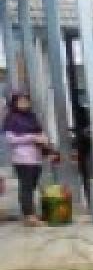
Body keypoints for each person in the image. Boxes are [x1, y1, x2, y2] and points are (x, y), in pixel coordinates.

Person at [2, 92, 50, 226]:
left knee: (31, 186)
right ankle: (29, 216)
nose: (24, 103)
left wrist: (45, 142)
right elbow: (10, 139)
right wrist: (32, 137)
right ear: (15, 103)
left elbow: (39, 132)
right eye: (21, 101)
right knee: (26, 187)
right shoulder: (11, 118)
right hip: (22, 158)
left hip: (36, 157)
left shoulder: (32, 117)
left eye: (26, 101)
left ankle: (29, 213)